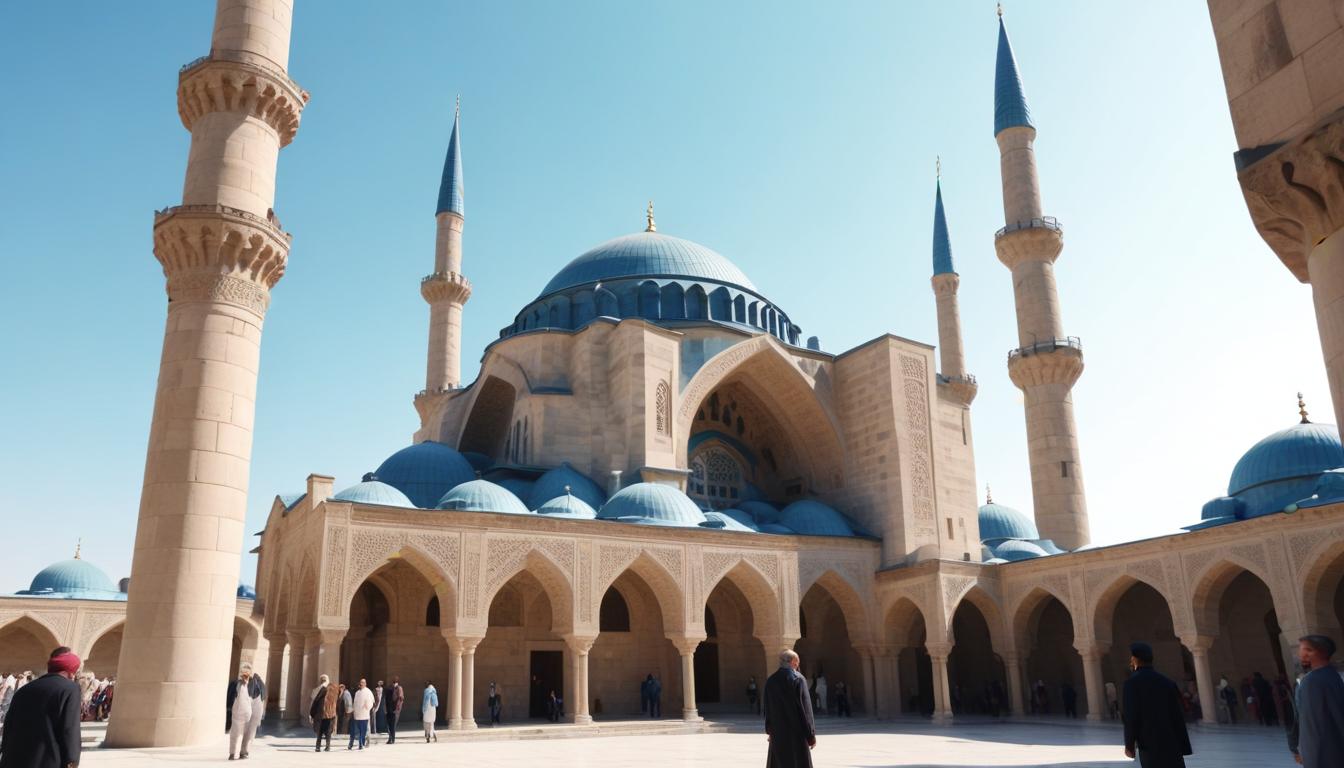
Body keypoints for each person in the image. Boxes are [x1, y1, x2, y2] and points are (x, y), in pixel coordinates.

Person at [0, 648, 82, 768]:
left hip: (13, 759)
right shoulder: (70, 689)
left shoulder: (24, 689)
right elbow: (69, 729)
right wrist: (72, 761)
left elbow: (9, 724)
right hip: (47, 760)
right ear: (70, 672)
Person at [1122, 641, 1192, 768]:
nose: (1131, 661)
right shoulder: (1167, 682)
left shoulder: (1131, 684)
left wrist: (1129, 745)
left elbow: (1131, 717)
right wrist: (1183, 746)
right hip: (1172, 742)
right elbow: (1178, 716)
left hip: (1149, 744)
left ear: (1136, 659)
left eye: (1132, 658)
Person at [1287, 635, 1344, 768]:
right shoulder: (1333, 675)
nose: (1298, 654)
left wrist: (1307, 756)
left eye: (1300, 649)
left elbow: (1312, 726)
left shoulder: (1311, 682)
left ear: (1310, 653)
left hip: (1323, 756)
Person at [764, 649, 815, 768]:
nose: (798, 664)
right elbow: (805, 710)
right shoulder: (798, 679)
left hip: (777, 733)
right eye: (797, 661)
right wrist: (810, 735)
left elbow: (767, 709)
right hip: (796, 734)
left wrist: (770, 730)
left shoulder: (770, 681)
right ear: (794, 661)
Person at [226, 663, 265, 760]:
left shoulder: (257, 683)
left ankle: (244, 751)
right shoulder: (236, 684)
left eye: (247, 672)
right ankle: (233, 752)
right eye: (244, 672)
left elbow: (262, 696)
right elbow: (230, 698)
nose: (245, 674)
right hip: (239, 708)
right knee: (236, 730)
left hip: (255, 705)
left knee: (250, 730)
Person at [310, 674, 337, 752]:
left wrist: (312, 713)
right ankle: (327, 747)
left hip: (321, 714)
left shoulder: (320, 689)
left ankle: (318, 747)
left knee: (320, 731)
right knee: (328, 731)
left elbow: (315, 701)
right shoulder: (333, 688)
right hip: (330, 714)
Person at [349, 679, 373, 750]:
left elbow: (371, 701)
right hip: (358, 715)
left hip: (364, 714)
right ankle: (360, 743)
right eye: (361, 683)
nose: (361, 684)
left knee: (364, 730)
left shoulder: (368, 691)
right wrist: (354, 711)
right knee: (359, 730)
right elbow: (355, 703)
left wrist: (367, 706)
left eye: (363, 683)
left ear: (365, 684)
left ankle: (361, 743)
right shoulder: (357, 693)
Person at [384, 677, 404, 743]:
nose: (394, 683)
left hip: (395, 710)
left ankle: (392, 739)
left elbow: (400, 699)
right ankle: (391, 738)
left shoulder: (399, 688)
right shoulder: (389, 688)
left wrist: (397, 709)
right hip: (390, 709)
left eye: (395, 682)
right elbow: (386, 699)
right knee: (389, 725)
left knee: (393, 725)